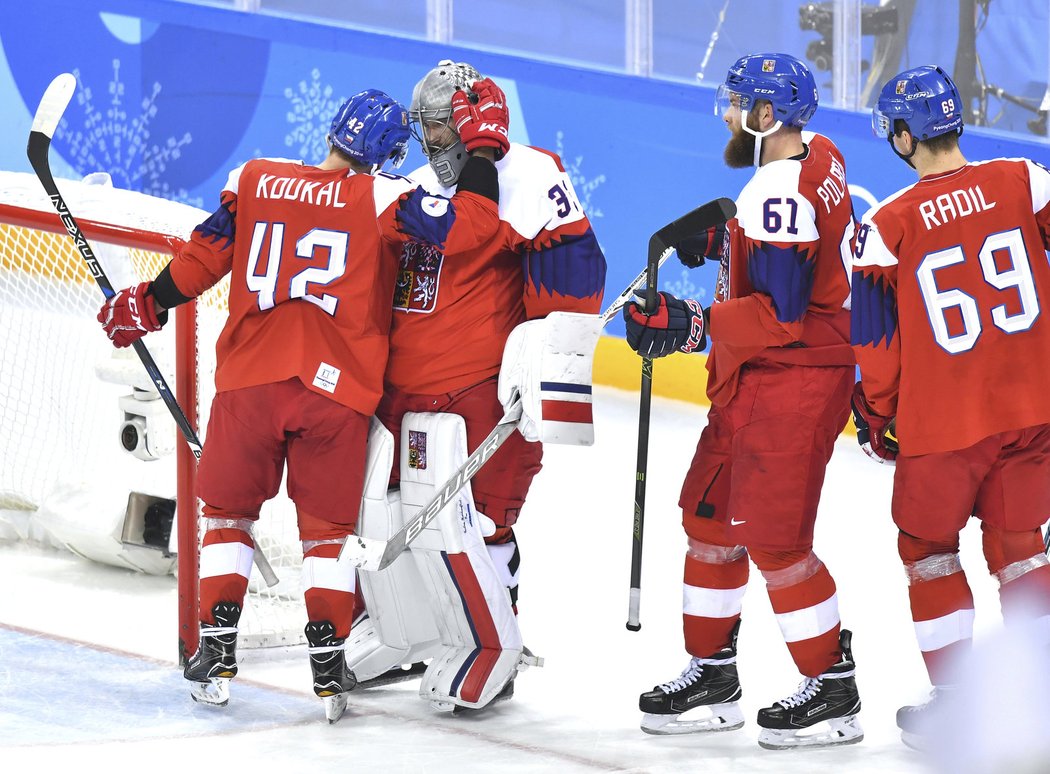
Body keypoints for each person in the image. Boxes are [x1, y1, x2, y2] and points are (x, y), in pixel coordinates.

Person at [96, 87, 505, 722]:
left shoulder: (255, 180)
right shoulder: (384, 199)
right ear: (388, 153)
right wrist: (481, 151)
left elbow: (205, 257)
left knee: (227, 518)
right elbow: (473, 229)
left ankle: (217, 652)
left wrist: (146, 304)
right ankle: (326, 667)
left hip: (247, 385)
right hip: (334, 394)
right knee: (327, 536)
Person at [346, 60, 607, 710]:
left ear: (470, 123)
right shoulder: (411, 181)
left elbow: (576, 282)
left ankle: (492, 638)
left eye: (441, 126)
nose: (430, 140)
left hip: (480, 395)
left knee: (476, 520)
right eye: (425, 126)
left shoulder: (530, 177)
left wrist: (546, 373)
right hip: (404, 392)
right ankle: (401, 630)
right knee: (390, 516)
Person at [621, 53, 862, 749]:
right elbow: (796, 257)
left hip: (790, 383)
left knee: (777, 543)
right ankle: (713, 673)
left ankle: (833, 690)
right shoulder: (820, 153)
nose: (726, 115)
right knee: (711, 520)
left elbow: (782, 314)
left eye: (735, 105)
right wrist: (727, 242)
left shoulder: (775, 193)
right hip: (761, 383)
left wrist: (693, 324)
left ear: (766, 117)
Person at [850, 64, 1050, 750]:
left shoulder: (888, 224)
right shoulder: (1026, 179)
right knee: (1022, 548)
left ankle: (961, 708)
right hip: (1033, 410)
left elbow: (875, 344)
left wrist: (878, 416)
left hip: (943, 424)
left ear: (905, 136)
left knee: (928, 550)